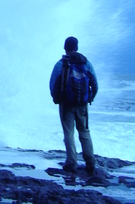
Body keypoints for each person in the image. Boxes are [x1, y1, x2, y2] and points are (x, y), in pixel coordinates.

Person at [49, 36, 98, 173]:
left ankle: (71, 163)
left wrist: (56, 98)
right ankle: (90, 161)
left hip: (66, 105)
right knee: (84, 132)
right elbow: (95, 84)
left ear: (65, 48)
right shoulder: (86, 63)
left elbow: (52, 84)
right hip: (82, 104)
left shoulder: (61, 64)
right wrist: (90, 98)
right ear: (76, 48)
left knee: (69, 133)